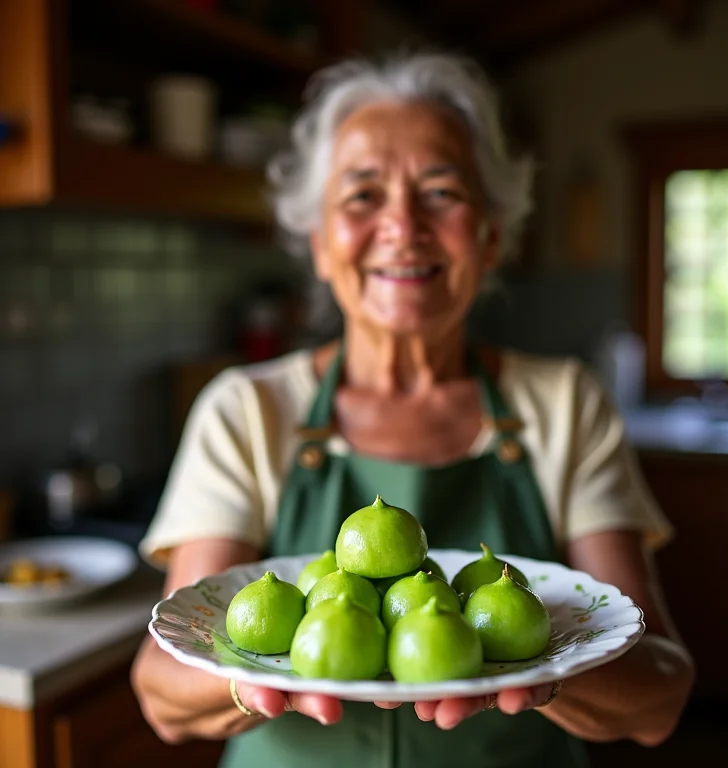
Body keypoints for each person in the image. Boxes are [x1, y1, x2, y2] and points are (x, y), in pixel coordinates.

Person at [131, 51, 695, 768]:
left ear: (491, 236)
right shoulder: (247, 410)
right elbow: (160, 689)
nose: (403, 224)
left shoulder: (566, 404)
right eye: (363, 195)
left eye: (441, 192)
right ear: (321, 244)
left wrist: (543, 675)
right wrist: (255, 684)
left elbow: (661, 695)